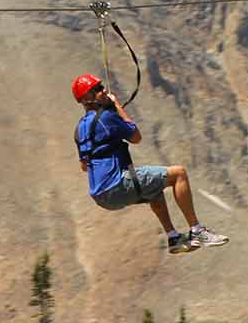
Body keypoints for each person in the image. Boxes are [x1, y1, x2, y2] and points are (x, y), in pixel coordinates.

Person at [71, 73, 229, 254]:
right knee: (179, 174)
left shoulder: (79, 129)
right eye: (98, 89)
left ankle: (173, 237)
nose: (104, 90)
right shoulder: (106, 118)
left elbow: (85, 166)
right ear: (86, 99)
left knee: (154, 190)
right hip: (117, 185)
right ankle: (197, 231)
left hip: (101, 196)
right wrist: (116, 106)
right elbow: (136, 137)